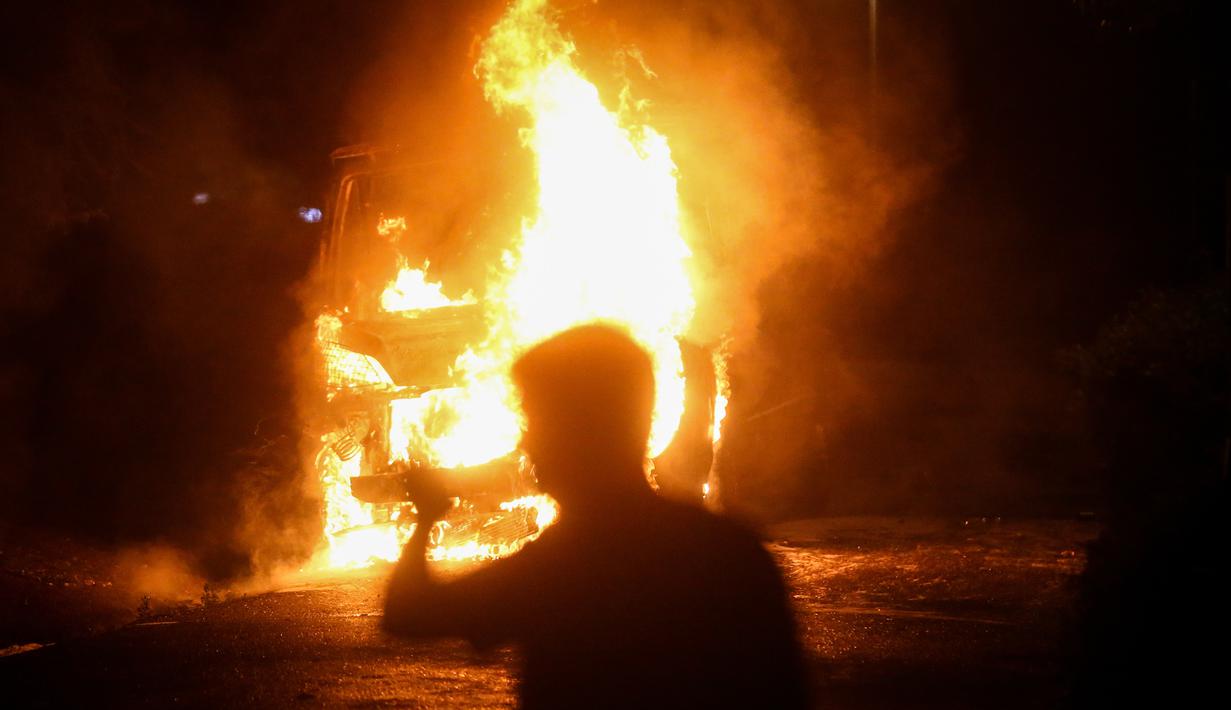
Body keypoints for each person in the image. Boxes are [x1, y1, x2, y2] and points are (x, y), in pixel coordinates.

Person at [383, 324, 807, 708]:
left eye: (536, 418)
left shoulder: (565, 566)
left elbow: (411, 614)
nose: (526, 441)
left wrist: (426, 517)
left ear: (579, 430)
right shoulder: (731, 550)